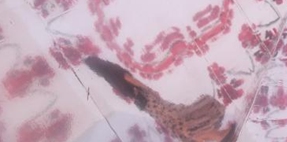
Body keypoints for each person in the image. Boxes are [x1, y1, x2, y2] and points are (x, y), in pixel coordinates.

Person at [84, 56, 237, 142]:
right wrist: (148, 88)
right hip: (146, 98)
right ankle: (215, 136)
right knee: (177, 117)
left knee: (176, 119)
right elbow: (128, 78)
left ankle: (212, 136)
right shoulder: (113, 71)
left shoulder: (109, 77)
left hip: (143, 103)